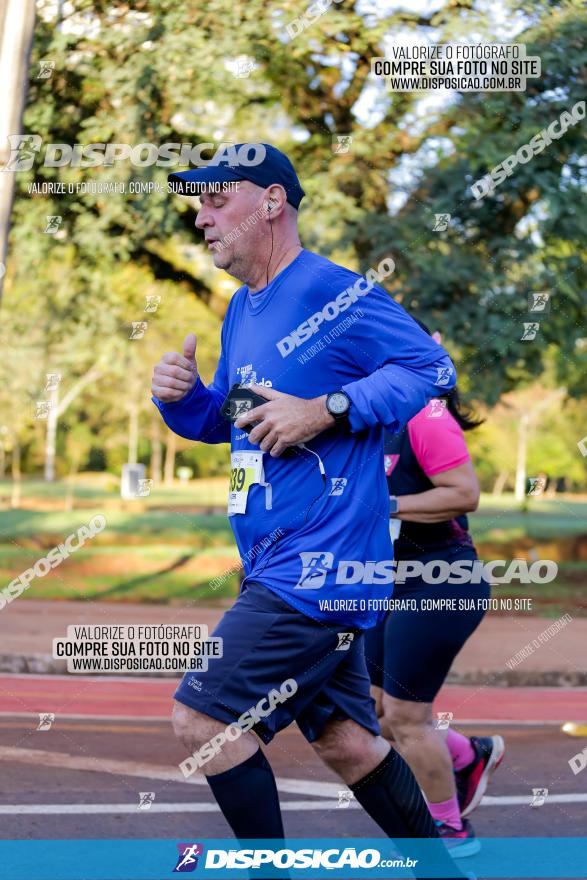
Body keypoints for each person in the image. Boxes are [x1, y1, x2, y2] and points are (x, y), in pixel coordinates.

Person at [151, 142, 466, 877]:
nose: (201, 218)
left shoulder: (331, 291)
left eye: (215, 199)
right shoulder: (242, 308)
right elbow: (233, 420)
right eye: (197, 203)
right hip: (281, 561)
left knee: (201, 720)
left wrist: (327, 408)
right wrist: (183, 400)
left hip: (313, 567)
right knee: (348, 744)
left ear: (270, 203)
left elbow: (431, 367)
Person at [364, 326, 505, 856]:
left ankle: (451, 829)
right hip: (389, 583)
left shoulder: (426, 414)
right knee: (372, 710)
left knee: (405, 716)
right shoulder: (371, 422)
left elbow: (464, 493)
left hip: (444, 580)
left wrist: (389, 508)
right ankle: (468, 755)